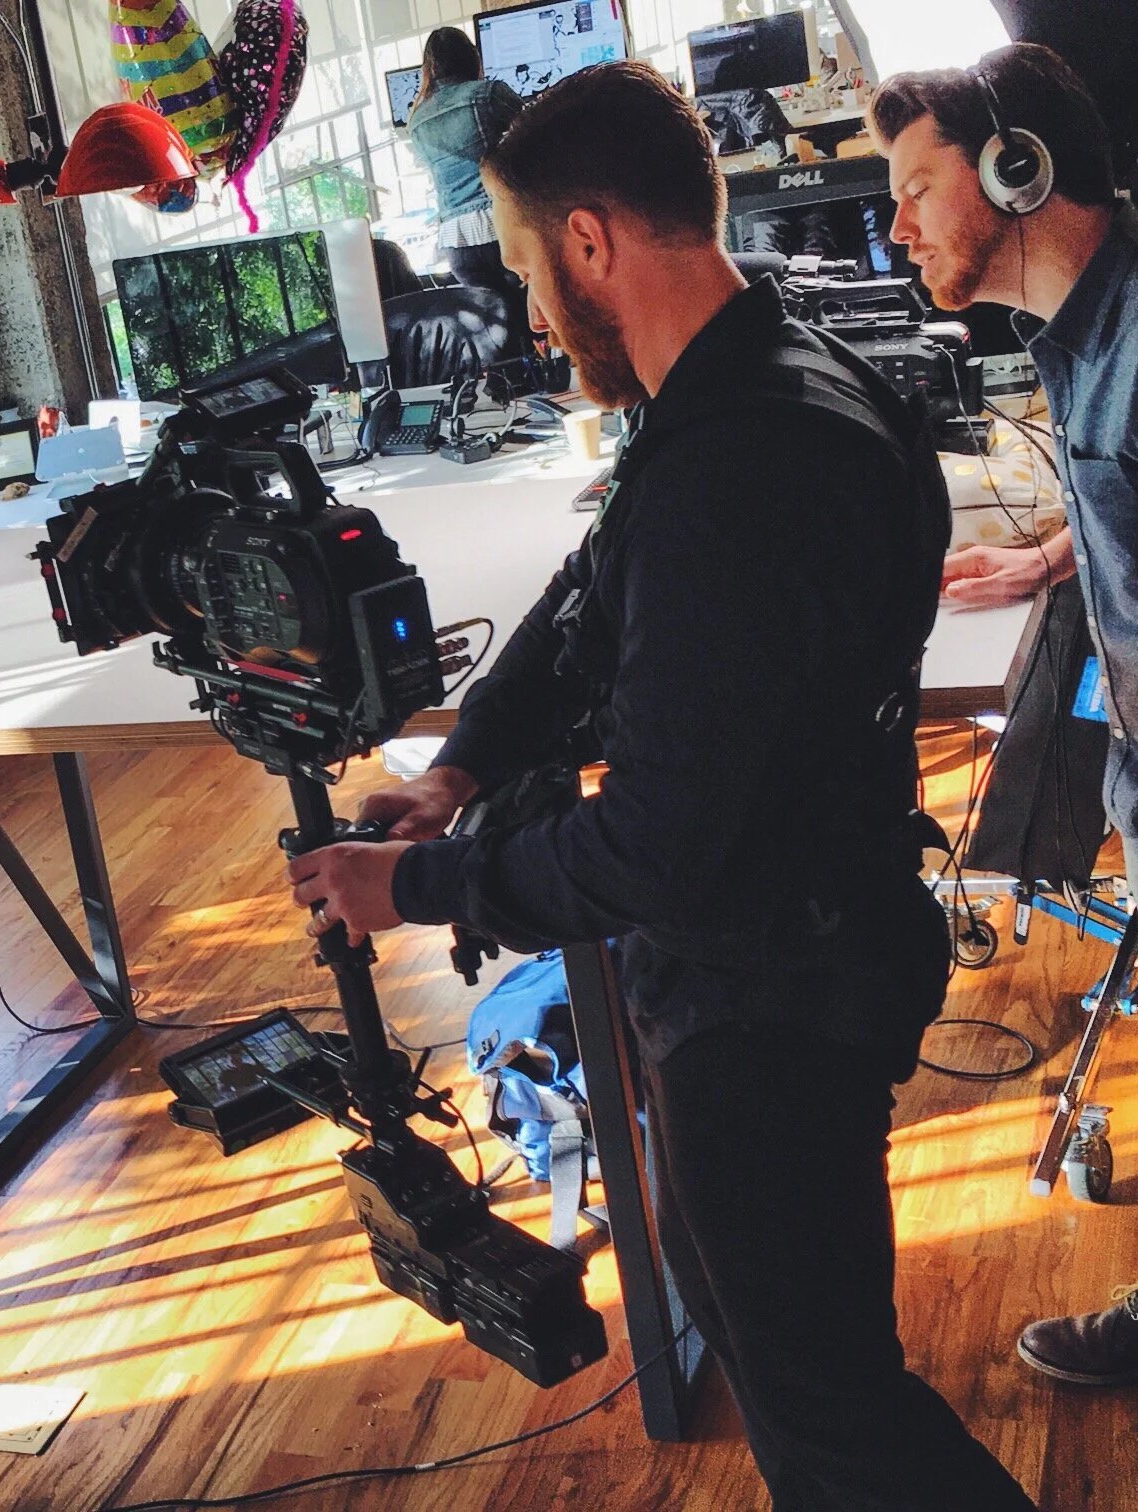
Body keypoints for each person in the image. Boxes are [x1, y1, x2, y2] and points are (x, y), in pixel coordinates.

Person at [286, 63, 1037, 1509]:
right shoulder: (764, 383)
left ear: (589, 242)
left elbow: (654, 847)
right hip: (796, 950)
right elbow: (588, 596)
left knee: (837, 1424)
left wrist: (417, 888)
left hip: (770, 1001)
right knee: (784, 1355)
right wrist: (463, 767)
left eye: (526, 268)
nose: (528, 310)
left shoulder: (736, 475)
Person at [871, 42, 1138, 1387]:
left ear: (1016, 170)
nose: (898, 226)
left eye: (915, 187)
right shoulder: (1090, 326)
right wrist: (1056, 554)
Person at [406, 27, 524, 302]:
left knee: (496, 323)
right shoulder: (489, 94)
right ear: (472, 57)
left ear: (429, 68)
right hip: (501, 223)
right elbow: (535, 137)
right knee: (535, 314)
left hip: (457, 243)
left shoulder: (416, 121)